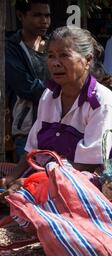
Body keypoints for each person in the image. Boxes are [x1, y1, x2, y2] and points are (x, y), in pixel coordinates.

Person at [0, 26, 112, 200]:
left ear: (87, 60)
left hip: (86, 182)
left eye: (64, 55)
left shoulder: (101, 101)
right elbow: (33, 149)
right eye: (51, 56)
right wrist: (12, 178)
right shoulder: (48, 96)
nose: (55, 63)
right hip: (48, 176)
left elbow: (87, 164)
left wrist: (32, 182)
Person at [6, 0, 51, 160]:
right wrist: (64, 90)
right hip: (27, 130)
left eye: (47, 15)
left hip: (56, 127)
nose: (44, 20)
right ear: (20, 16)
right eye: (37, 15)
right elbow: (26, 87)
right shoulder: (11, 47)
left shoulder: (53, 44)